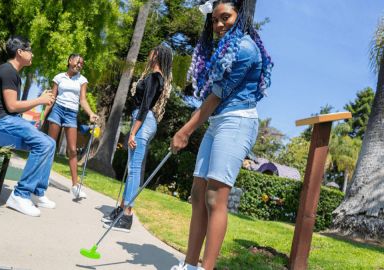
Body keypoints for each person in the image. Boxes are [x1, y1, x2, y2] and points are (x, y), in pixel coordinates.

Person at [170, 0, 273, 269]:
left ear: (239, 17)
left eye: (224, 18)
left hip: (237, 122)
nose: (218, 25)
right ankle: (190, 264)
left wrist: (185, 130)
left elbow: (217, 95)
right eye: (214, 20)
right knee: (197, 192)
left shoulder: (245, 49)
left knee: (215, 196)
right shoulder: (227, 48)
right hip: (219, 123)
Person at [101, 44, 173, 232]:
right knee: (132, 168)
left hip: (143, 122)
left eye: (151, 51)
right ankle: (122, 209)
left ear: (156, 55)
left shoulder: (155, 78)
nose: (149, 54)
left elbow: (144, 107)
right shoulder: (154, 77)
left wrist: (132, 132)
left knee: (134, 170)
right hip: (143, 121)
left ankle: (127, 215)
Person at [0, 36, 57, 217]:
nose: (32, 54)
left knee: (51, 143)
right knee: (44, 144)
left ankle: (37, 192)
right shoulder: (8, 71)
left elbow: (12, 109)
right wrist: (39, 100)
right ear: (20, 52)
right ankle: (20, 195)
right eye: (30, 50)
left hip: (7, 120)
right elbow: (12, 106)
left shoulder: (12, 73)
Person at [42, 54, 98, 199]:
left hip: (71, 114)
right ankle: (43, 177)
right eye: (77, 62)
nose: (79, 64)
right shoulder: (59, 77)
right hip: (57, 110)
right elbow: (51, 99)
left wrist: (91, 113)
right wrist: (43, 117)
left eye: (82, 63)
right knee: (50, 145)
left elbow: (83, 100)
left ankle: (75, 187)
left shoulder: (82, 80)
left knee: (72, 150)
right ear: (69, 61)